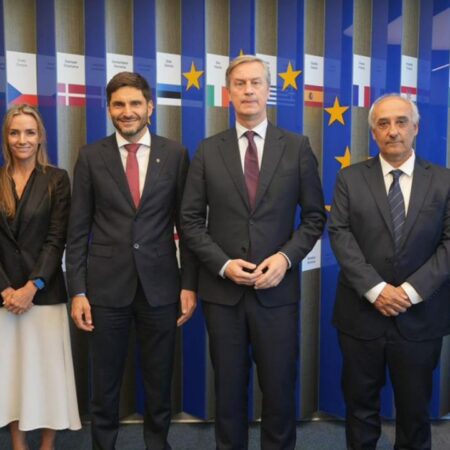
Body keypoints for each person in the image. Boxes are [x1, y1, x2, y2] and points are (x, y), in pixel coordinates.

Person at [181, 55, 326, 449]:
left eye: (256, 82)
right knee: (228, 390)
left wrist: (285, 258)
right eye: (240, 84)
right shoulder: (208, 150)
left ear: (268, 90)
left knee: (279, 389)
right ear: (228, 93)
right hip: (222, 294)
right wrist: (223, 264)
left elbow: (315, 217)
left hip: (277, 293)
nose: (248, 90)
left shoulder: (296, 147)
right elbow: (190, 220)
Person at [66, 71, 197, 450]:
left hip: (161, 286)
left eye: (135, 103)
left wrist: (189, 285)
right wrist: (78, 291)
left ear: (150, 107)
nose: (127, 111)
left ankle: (157, 443)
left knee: (159, 378)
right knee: (105, 381)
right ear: (109, 109)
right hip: (105, 288)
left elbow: (187, 225)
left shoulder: (176, 154)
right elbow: (77, 230)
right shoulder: (91, 156)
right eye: (119, 104)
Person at [328, 94, 450, 449]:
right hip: (361, 314)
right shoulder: (350, 178)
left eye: (401, 122)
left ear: (416, 128)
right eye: (383, 123)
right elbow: (340, 234)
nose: (392, 131)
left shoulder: (443, 181)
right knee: (360, 406)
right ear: (373, 133)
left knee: (415, 410)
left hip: (420, 316)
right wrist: (376, 289)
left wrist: (409, 292)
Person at [0, 104, 81, 450]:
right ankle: (18, 444)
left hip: (44, 295)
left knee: (48, 374)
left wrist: (32, 286)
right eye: (15, 132)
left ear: (40, 137)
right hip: (4, 299)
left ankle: (47, 445)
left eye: (29, 132)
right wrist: (6, 289)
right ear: (6, 137)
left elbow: (57, 237)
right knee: (12, 374)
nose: (22, 139)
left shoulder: (56, 179)